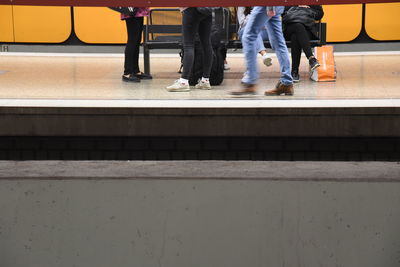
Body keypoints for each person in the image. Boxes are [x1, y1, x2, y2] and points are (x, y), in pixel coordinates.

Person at [230, 6, 293, 96]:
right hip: (277, 4)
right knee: (278, 41)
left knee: (248, 36)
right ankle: (286, 82)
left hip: (265, 4)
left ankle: (250, 82)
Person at [166, 7, 213, 92]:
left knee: (188, 45)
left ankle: (183, 82)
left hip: (191, 8)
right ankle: (205, 80)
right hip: (207, 8)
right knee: (206, 44)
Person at [282, 5, 324, 82]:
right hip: (290, 28)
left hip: (306, 28)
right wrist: (297, 6)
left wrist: (309, 8)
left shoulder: (314, 2)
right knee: (298, 26)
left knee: (295, 37)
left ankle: (294, 72)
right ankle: (311, 58)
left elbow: (320, 14)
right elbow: (282, 11)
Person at [121, 8, 153, 82]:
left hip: (139, 11)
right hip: (131, 11)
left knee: (137, 40)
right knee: (132, 40)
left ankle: (135, 70)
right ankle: (127, 72)